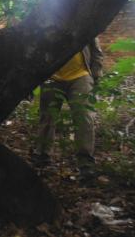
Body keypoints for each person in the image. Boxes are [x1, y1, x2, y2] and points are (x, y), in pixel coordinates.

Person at [32, 38, 103, 178]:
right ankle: (41, 156)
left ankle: (86, 164)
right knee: (47, 117)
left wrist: (96, 75)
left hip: (80, 76)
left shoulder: (85, 19)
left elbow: (96, 51)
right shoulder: (50, 20)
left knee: (84, 118)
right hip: (52, 77)